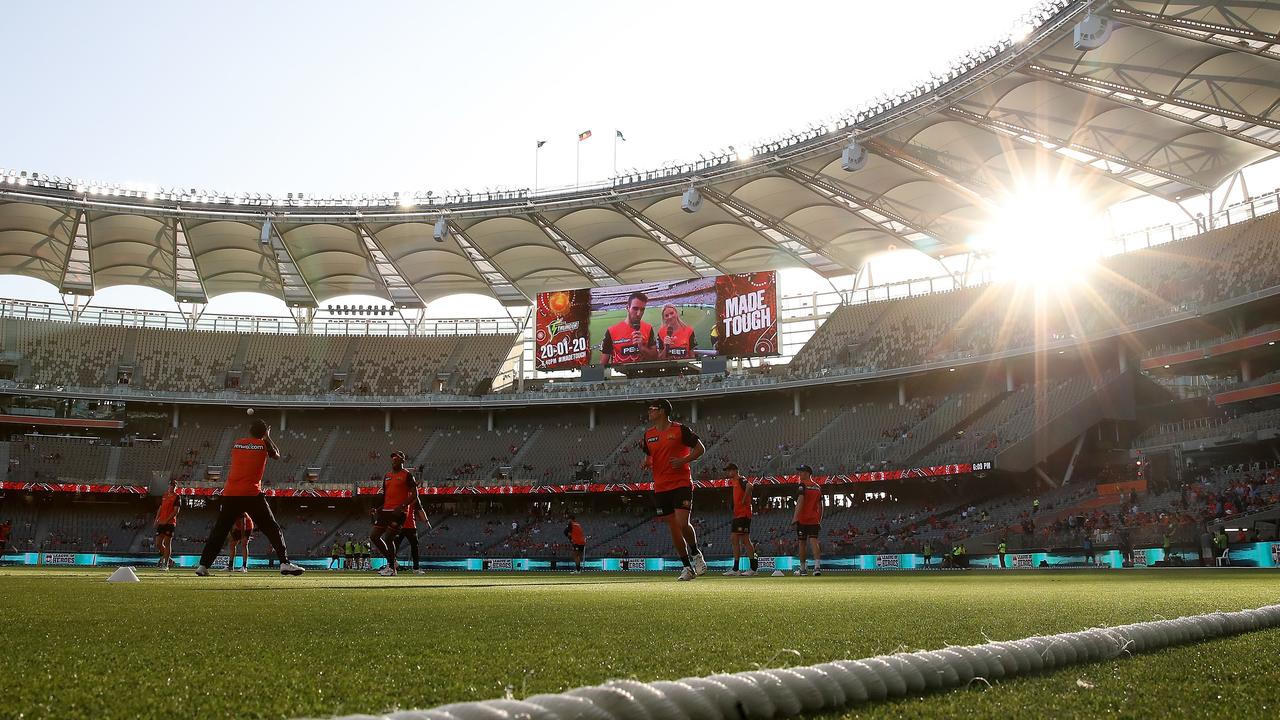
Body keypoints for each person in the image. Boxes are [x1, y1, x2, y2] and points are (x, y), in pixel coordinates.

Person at [193, 419, 304, 577]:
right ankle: (284, 563)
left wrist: (261, 436)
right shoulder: (264, 445)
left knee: (220, 530)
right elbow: (277, 455)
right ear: (264, 433)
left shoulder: (237, 443)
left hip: (231, 493)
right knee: (271, 528)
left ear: (249, 430)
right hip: (251, 494)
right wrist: (268, 437)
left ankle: (203, 566)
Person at [640, 398, 706, 581]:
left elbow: (701, 449)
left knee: (682, 523)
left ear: (661, 411)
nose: (649, 412)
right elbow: (649, 455)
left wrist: (683, 461)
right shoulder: (648, 435)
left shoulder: (680, 430)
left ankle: (696, 554)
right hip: (661, 487)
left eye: (652, 409)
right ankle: (686, 568)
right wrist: (646, 463)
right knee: (674, 527)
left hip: (681, 483)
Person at [371, 451, 419, 577]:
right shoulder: (387, 476)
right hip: (386, 511)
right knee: (374, 536)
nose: (393, 460)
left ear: (402, 460)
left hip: (399, 512)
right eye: (392, 458)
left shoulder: (407, 475)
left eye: (396, 458)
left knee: (388, 538)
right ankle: (392, 562)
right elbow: (385, 495)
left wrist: (402, 506)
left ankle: (392, 568)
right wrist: (377, 508)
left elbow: (415, 495)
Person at [601, 292, 659, 366]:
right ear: (627, 308)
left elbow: (655, 358)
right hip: (621, 375)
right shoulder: (612, 331)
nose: (639, 313)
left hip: (644, 375)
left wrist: (642, 347)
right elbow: (603, 364)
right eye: (635, 308)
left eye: (642, 310)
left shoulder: (648, 328)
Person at [724, 463, 759, 576]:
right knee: (734, 539)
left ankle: (753, 568)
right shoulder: (735, 482)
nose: (728, 473)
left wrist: (744, 500)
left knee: (745, 540)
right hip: (738, 514)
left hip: (744, 514)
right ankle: (736, 568)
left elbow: (750, 486)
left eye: (729, 471)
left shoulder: (740, 479)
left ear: (735, 470)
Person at [393, 473, 429, 575]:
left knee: (413, 546)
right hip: (402, 524)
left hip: (408, 525)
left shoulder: (413, 496)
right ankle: (393, 565)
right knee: (397, 546)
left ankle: (415, 568)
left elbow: (419, 509)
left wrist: (426, 521)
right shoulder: (403, 495)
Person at [792, 465, 823, 576]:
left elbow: (800, 501)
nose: (799, 474)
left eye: (801, 472)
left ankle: (803, 569)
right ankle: (817, 567)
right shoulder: (817, 487)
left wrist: (795, 517)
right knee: (814, 541)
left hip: (803, 519)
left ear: (807, 473)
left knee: (802, 543)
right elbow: (821, 505)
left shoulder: (802, 485)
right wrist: (819, 519)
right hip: (814, 519)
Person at [154, 478, 181, 571]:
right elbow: (160, 507)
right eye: (170, 485)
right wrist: (157, 519)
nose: (171, 487)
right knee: (158, 543)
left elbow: (176, 511)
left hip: (170, 523)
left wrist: (167, 520)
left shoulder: (177, 497)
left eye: (173, 486)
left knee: (167, 542)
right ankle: (169, 560)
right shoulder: (164, 495)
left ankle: (165, 564)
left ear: (175, 487)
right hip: (161, 522)